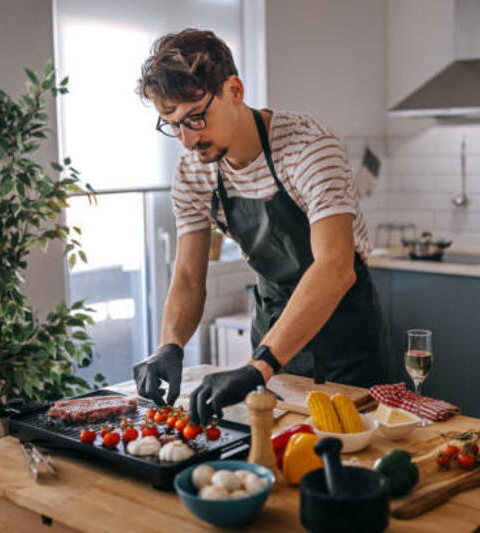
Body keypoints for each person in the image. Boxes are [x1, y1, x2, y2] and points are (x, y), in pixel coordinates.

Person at [131, 29, 386, 424]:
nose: (187, 140)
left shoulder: (309, 147)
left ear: (234, 89)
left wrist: (258, 367)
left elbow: (335, 268)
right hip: (272, 328)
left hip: (344, 340)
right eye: (173, 124)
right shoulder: (193, 173)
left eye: (196, 117)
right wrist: (171, 345)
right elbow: (187, 277)